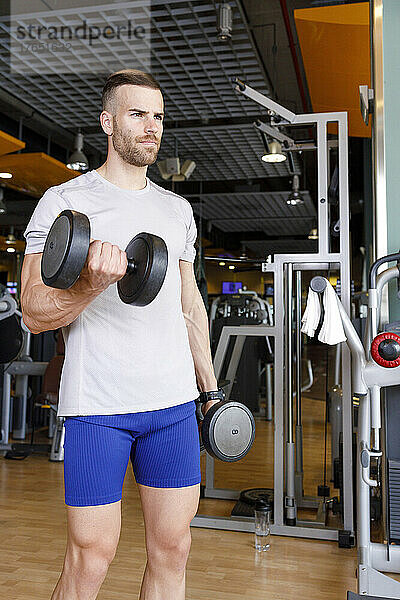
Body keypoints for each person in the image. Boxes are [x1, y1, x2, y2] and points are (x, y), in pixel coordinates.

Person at [20, 69, 221, 600]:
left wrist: (210, 387)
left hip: (173, 404)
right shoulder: (64, 203)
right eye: (138, 114)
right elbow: (33, 312)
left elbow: (188, 301)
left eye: (158, 117)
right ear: (107, 121)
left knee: (174, 549)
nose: (152, 127)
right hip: (99, 405)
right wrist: (90, 284)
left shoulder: (177, 211)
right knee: (91, 558)